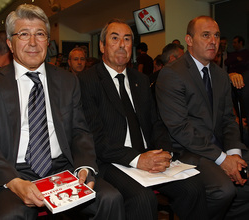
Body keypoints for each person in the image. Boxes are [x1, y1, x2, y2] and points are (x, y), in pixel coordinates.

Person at [0, 4, 124, 220]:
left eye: (40, 34)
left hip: (63, 168)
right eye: (24, 34)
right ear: (10, 44)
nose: (33, 42)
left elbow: (80, 132)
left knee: (110, 198)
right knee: (11, 215)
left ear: (48, 42)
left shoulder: (67, 81)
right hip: (14, 171)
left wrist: (84, 166)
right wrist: (14, 183)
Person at [78, 18, 208, 220]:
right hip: (112, 160)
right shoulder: (87, 81)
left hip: (149, 157)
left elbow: (156, 122)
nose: (122, 45)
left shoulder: (140, 79)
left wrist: (165, 153)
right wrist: (138, 159)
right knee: (143, 199)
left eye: (127, 39)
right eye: (115, 38)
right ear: (102, 45)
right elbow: (95, 139)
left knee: (194, 187)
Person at [156, 16, 249, 220]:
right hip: (187, 152)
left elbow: (227, 119)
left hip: (219, 147)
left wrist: (234, 153)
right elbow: (180, 129)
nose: (213, 41)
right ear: (189, 40)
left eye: (216, 35)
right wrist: (224, 159)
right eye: (206, 35)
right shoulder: (172, 74)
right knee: (223, 190)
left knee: (243, 183)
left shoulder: (220, 74)